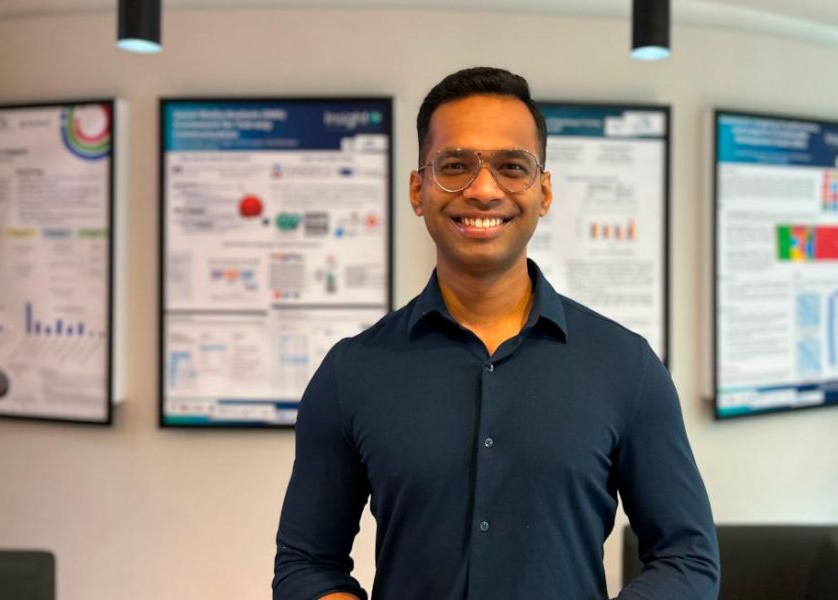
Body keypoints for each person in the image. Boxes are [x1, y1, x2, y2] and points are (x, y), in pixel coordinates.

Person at [273, 66, 719, 600]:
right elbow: (306, 566)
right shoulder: (352, 373)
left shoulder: (627, 366)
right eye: (455, 166)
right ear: (418, 190)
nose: (484, 190)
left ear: (544, 191)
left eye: (512, 167)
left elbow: (687, 558)